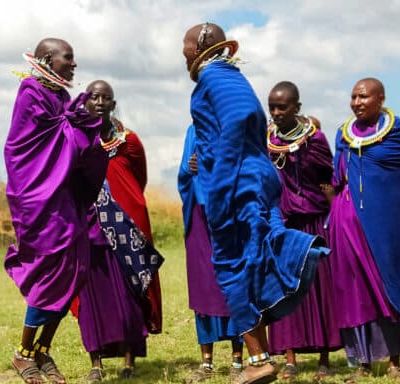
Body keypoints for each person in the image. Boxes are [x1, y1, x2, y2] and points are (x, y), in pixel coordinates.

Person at [182, 22, 329, 384]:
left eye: (185, 44)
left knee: (230, 265)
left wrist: (220, 178)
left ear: (202, 43)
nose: (182, 51)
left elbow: (240, 116)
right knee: (246, 264)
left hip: (238, 184)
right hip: (248, 178)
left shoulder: (215, 74)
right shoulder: (224, 75)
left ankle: (302, 252)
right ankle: (259, 358)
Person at [4, 38, 106, 384]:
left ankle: (43, 351)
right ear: (48, 59)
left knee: (73, 272)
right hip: (41, 201)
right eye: (68, 58)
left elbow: (71, 135)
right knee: (49, 277)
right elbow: (35, 146)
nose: (74, 64)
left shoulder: (61, 97)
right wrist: (79, 124)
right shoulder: (31, 92)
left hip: (66, 200)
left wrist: (82, 122)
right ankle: (23, 353)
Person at [326, 78, 400, 383]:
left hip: (388, 226)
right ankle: (362, 362)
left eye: (363, 97)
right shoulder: (343, 135)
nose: (357, 102)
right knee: (355, 294)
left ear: (380, 98)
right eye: (353, 97)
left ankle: (395, 361)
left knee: (388, 288)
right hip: (347, 225)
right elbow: (337, 177)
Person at [75, 80, 165, 382]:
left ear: (114, 104)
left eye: (106, 98)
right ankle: (96, 363)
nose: (99, 102)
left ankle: (129, 359)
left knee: (129, 297)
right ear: (85, 102)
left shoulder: (129, 142)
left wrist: (122, 208)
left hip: (127, 230)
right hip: (88, 229)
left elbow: (138, 181)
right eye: (94, 97)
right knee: (93, 300)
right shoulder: (74, 141)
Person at [265, 81, 340, 382]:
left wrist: (331, 205)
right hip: (283, 224)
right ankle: (290, 358)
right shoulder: (267, 140)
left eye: (282, 107)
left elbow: (330, 177)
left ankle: (324, 357)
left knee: (320, 289)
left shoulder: (316, 140)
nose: (276, 112)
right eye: (271, 107)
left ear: (297, 106)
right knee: (285, 289)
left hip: (314, 221)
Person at [179, 124, 245, 383]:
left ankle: (238, 358)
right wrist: (189, 169)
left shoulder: (238, 128)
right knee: (204, 287)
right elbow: (183, 173)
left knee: (234, 286)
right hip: (199, 217)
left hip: (231, 218)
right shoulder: (194, 129)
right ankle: (206, 361)